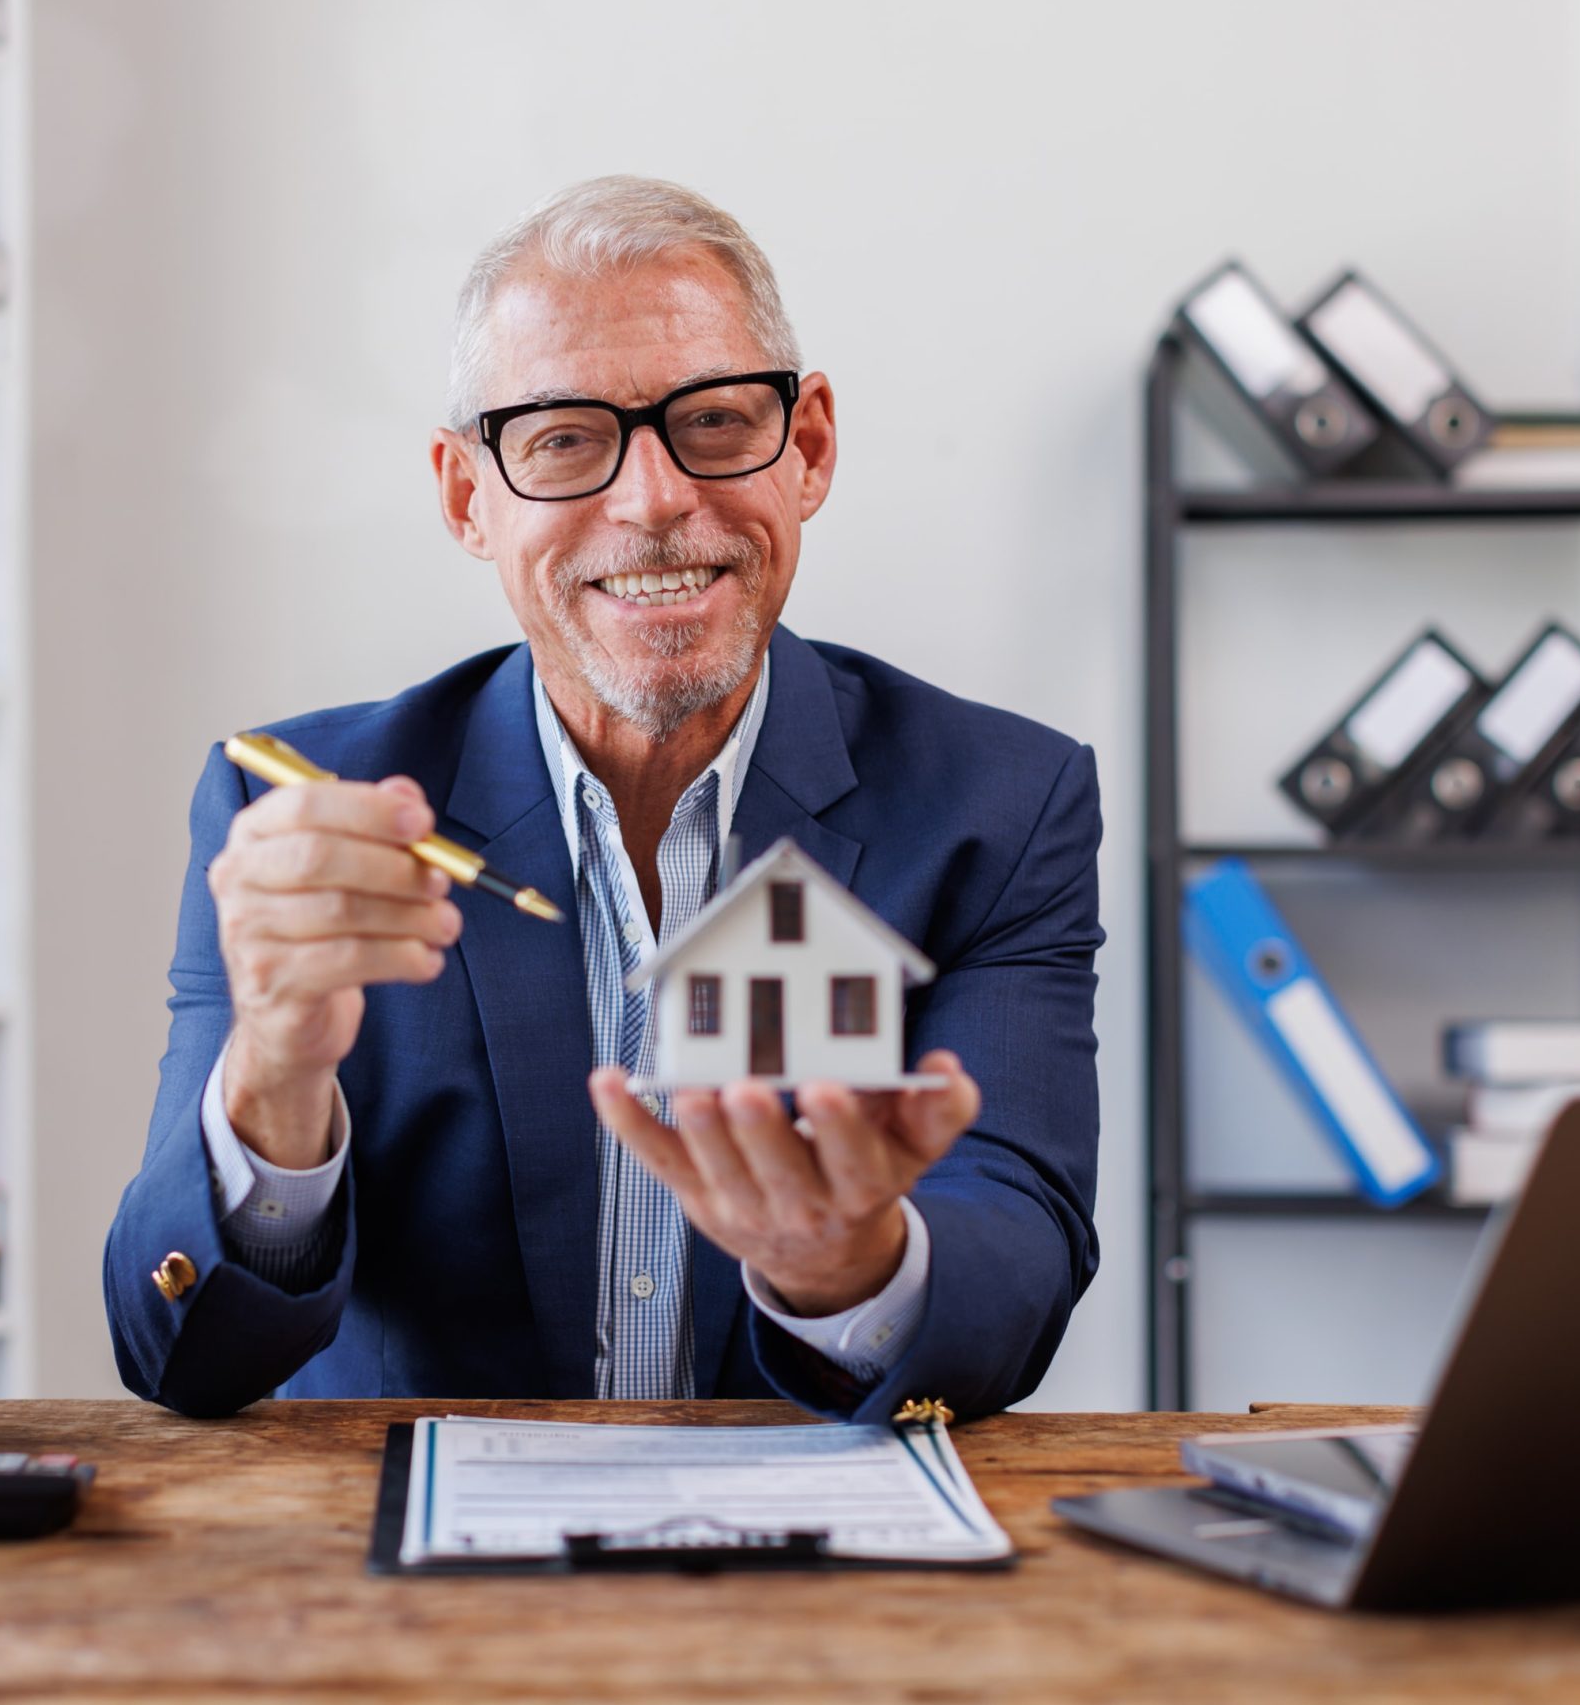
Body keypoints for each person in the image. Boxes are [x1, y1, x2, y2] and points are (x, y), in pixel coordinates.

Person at [104, 177, 1100, 1424]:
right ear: (470, 496)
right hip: (408, 1596)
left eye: (718, 423)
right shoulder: (300, 813)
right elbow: (178, 1357)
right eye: (565, 440)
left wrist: (843, 1265)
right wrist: (273, 1078)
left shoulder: (998, 805)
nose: (654, 501)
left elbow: (1022, 1264)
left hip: (817, 1578)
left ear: (810, 448)